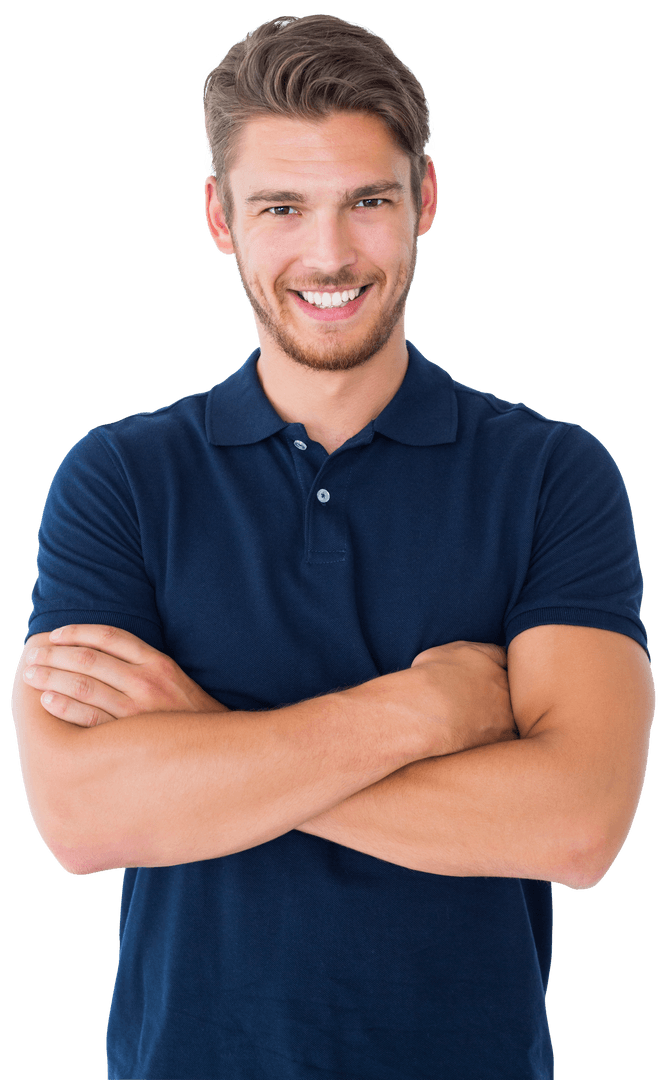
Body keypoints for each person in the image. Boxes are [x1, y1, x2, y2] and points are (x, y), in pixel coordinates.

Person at [11, 13, 654, 1080]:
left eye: (368, 200)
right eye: (281, 207)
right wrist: (423, 713)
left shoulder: (551, 475)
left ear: (425, 203)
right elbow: (82, 819)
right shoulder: (120, 479)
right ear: (219, 217)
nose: (329, 253)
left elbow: (578, 826)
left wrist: (210, 753)